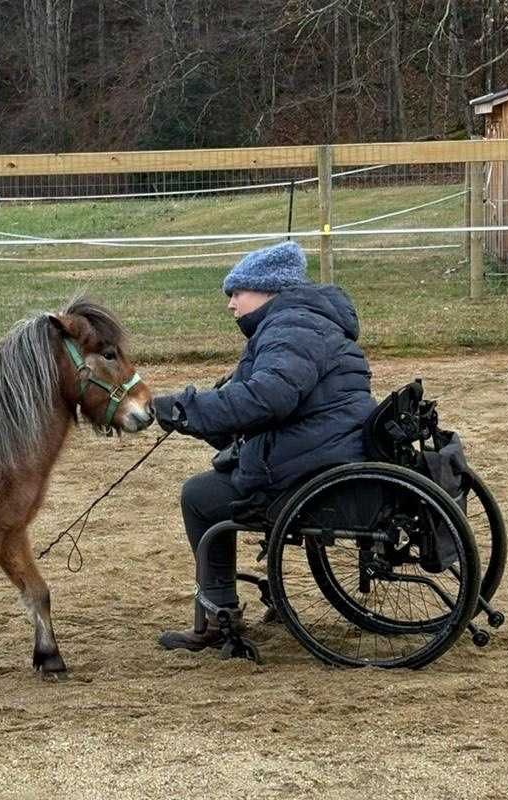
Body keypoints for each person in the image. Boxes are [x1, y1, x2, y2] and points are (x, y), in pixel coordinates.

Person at [150, 240, 376, 652]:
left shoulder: (291, 327)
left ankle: (219, 616)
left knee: (200, 496)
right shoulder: (297, 323)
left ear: (268, 290)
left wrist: (187, 409)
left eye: (237, 292)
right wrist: (197, 414)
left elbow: (267, 398)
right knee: (217, 478)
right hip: (327, 447)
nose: (231, 304)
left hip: (317, 464)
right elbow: (249, 399)